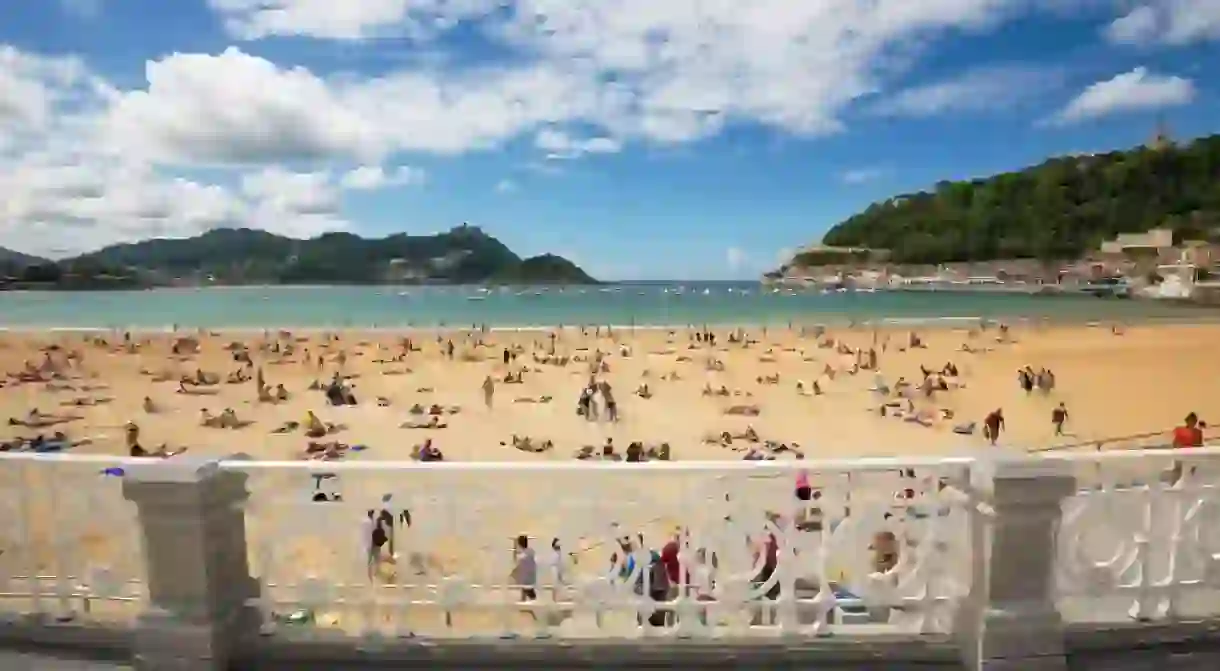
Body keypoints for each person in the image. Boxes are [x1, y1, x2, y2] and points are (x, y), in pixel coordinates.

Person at [511, 534, 537, 602]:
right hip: (529, 575)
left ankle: (529, 600)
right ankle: (523, 600)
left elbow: (517, 560)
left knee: (528, 589)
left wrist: (514, 549)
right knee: (525, 588)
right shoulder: (530, 551)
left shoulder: (525, 553)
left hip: (527, 576)